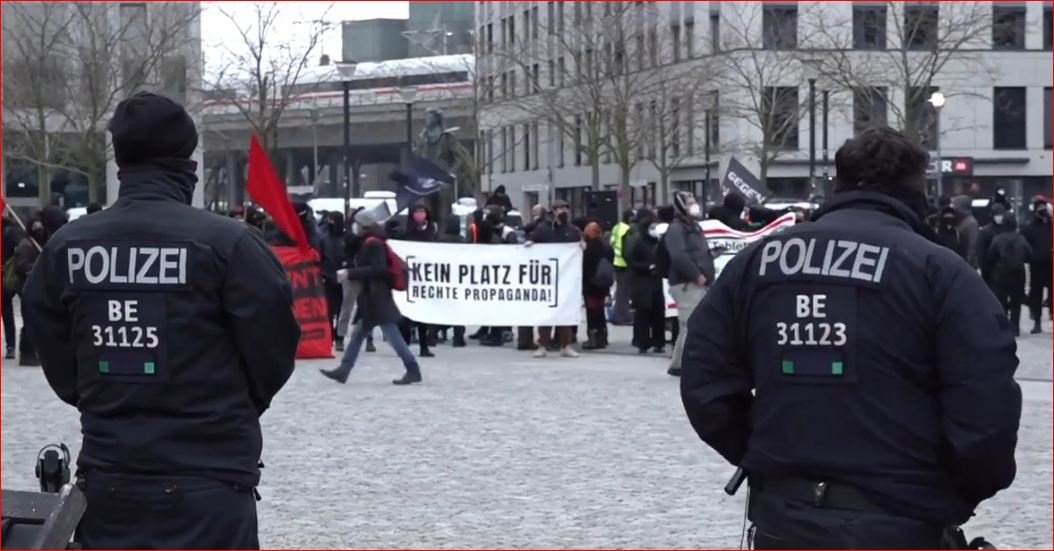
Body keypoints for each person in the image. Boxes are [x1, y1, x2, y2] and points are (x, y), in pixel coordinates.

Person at [680, 127, 1021, 549]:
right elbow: (986, 407)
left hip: (785, 517)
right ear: (917, 189)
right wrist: (951, 490)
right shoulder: (940, 271)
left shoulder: (758, 263)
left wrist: (765, 454)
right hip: (898, 518)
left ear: (838, 184)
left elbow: (704, 377)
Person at [20, 92, 301, 549]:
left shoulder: (67, 247)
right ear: (187, 164)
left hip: (111, 475)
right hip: (209, 477)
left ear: (119, 161)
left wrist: (101, 392)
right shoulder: (229, 244)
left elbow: (49, 340)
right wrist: (228, 403)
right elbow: (274, 348)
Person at [320, 209, 422, 385]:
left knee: (393, 337)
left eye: (357, 223)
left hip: (377, 297)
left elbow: (378, 268)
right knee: (359, 335)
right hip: (373, 296)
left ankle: (412, 369)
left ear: (364, 225)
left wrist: (350, 273)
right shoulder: (370, 241)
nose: (354, 226)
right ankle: (344, 370)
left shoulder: (373, 243)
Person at [663, 191, 715, 377]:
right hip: (686, 283)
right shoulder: (676, 229)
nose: (694, 205)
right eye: (690, 202)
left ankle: (678, 364)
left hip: (697, 281)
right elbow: (679, 256)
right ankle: (688, 364)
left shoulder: (694, 226)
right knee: (691, 324)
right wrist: (696, 275)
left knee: (688, 325)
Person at [527, 199, 580, 358]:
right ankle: (542, 345)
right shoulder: (543, 229)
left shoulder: (572, 230)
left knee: (566, 314)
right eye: (559, 209)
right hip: (547, 279)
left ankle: (566, 345)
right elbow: (533, 240)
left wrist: (582, 246)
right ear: (553, 211)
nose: (563, 211)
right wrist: (530, 244)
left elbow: (578, 245)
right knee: (546, 313)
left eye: (565, 208)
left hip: (566, 279)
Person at [626, 209, 665, 354]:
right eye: (652, 227)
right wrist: (647, 267)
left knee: (658, 313)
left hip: (656, 281)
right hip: (642, 282)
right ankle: (642, 343)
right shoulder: (638, 241)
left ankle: (658, 342)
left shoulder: (658, 242)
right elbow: (631, 261)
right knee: (643, 313)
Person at [399, 204, 436, 357]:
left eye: (422, 211)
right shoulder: (407, 231)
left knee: (423, 314)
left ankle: (424, 346)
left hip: (424, 278)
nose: (420, 214)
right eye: (417, 212)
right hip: (409, 277)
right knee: (406, 314)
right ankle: (405, 344)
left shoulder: (431, 230)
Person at [988, 215, 1032, 337]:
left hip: (1001, 274)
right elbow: (1029, 254)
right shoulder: (1021, 239)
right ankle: (1015, 328)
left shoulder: (997, 239)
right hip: (1018, 274)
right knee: (1016, 303)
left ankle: (1003, 328)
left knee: (1001, 302)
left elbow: (990, 256)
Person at [14, 218, 47, 366]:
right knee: (29, 321)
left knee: (37, 321)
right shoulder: (25, 244)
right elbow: (22, 265)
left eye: (40, 226)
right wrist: (38, 266)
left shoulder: (40, 244)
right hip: (26, 288)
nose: (39, 229)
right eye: (35, 227)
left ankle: (34, 352)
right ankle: (26, 354)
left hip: (38, 287)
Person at [1021, 197, 1052, 333]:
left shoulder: (1051, 225)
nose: (1042, 210)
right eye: (1039, 208)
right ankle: (1037, 321)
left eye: (1043, 207)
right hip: (1036, 266)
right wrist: (1029, 258)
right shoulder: (1029, 228)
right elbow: (1024, 246)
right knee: (1036, 294)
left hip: (1051, 265)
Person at [581, 222, 614, 350]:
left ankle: (593, 338)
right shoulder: (606, 246)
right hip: (603, 285)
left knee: (591, 312)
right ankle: (602, 337)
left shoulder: (587, 249)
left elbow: (585, 267)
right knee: (600, 311)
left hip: (591, 285)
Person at [320, 211, 347, 351]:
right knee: (329, 310)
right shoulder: (324, 239)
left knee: (343, 311)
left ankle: (340, 337)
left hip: (345, 277)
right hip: (329, 277)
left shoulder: (347, 238)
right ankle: (330, 336)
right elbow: (321, 257)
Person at [2, 215, 24, 359]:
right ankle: (26, 344)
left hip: (6, 276)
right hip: (20, 276)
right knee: (26, 311)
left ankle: (11, 346)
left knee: (7, 312)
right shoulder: (18, 231)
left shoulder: (7, 233)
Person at [977, 204, 1012, 289]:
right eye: (997, 215)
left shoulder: (1008, 229)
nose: (999, 217)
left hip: (1006, 269)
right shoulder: (985, 231)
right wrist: (984, 267)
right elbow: (981, 250)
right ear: (992, 215)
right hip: (990, 269)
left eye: (1001, 214)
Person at [609, 209, 635, 326]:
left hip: (617, 261)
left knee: (620, 291)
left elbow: (612, 242)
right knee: (624, 292)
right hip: (625, 263)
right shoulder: (628, 230)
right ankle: (622, 316)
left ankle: (619, 314)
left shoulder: (617, 227)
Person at [952, 195, 979, 269]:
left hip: (967, 264)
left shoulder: (971, 223)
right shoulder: (960, 221)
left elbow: (972, 246)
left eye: (955, 205)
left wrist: (969, 264)